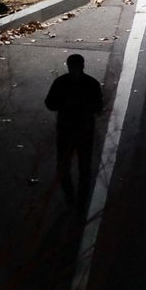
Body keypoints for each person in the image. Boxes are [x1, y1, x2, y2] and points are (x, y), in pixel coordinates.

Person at [44, 53, 104, 203]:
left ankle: (70, 196)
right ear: (83, 66)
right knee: (84, 166)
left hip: (66, 129)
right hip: (84, 130)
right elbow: (98, 107)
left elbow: (50, 104)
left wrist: (65, 105)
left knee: (64, 165)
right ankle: (81, 199)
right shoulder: (92, 84)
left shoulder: (60, 82)